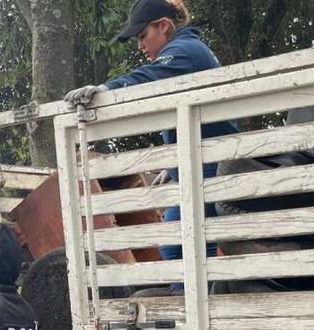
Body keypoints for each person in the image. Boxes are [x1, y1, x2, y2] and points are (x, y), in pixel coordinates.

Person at [64, 0, 239, 279]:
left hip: (209, 165)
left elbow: (146, 80)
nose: (139, 45)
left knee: (176, 247)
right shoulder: (191, 52)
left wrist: (106, 89)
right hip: (204, 163)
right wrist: (173, 168)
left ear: (164, 27)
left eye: (143, 35)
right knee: (187, 247)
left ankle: (193, 313)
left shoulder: (185, 51)